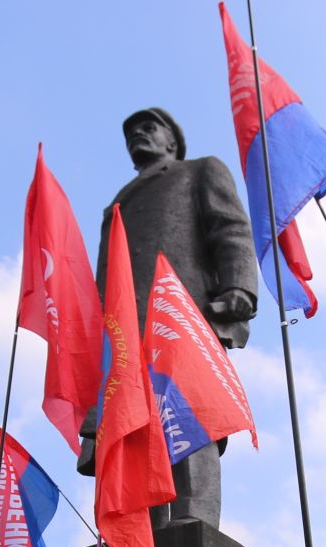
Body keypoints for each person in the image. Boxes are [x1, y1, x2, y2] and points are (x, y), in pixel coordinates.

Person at [76, 107, 259, 525]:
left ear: (171, 140)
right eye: (131, 132)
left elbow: (230, 228)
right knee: (134, 428)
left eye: (148, 127)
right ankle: (146, 533)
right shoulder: (117, 204)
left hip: (180, 314)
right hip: (123, 332)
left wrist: (238, 287)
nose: (138, 135)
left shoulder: (199, 171)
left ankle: (195, 520)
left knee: (191, 415)